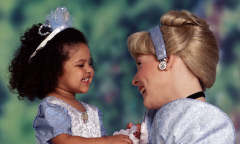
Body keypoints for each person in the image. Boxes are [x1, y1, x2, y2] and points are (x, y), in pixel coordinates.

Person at [8, 7, 132, 144]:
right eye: (81, 65)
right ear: (53, 69)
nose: (89, 70)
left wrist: (126, 136)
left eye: (90, 64)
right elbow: (65, 141)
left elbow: (100, 141)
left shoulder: (93, 112)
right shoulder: (51, 107)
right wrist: (108, 141)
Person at [127, 10, 236, 143]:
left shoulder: (212, 129)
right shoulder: (163, 122)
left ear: (165, 60)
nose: (134, 80)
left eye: (140, 64)